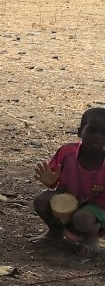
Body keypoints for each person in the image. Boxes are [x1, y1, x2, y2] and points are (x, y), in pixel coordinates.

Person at [33, 107, 105, 256]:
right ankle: (55, 232)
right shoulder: (67, 152)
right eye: (92, 130)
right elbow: (53, 179)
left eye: (104, 132)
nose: (97, 136)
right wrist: (48, 181)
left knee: (83, 218)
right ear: (79, 132)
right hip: (66, 200)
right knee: (41, 201)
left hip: (96, 209)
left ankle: (92, 237)